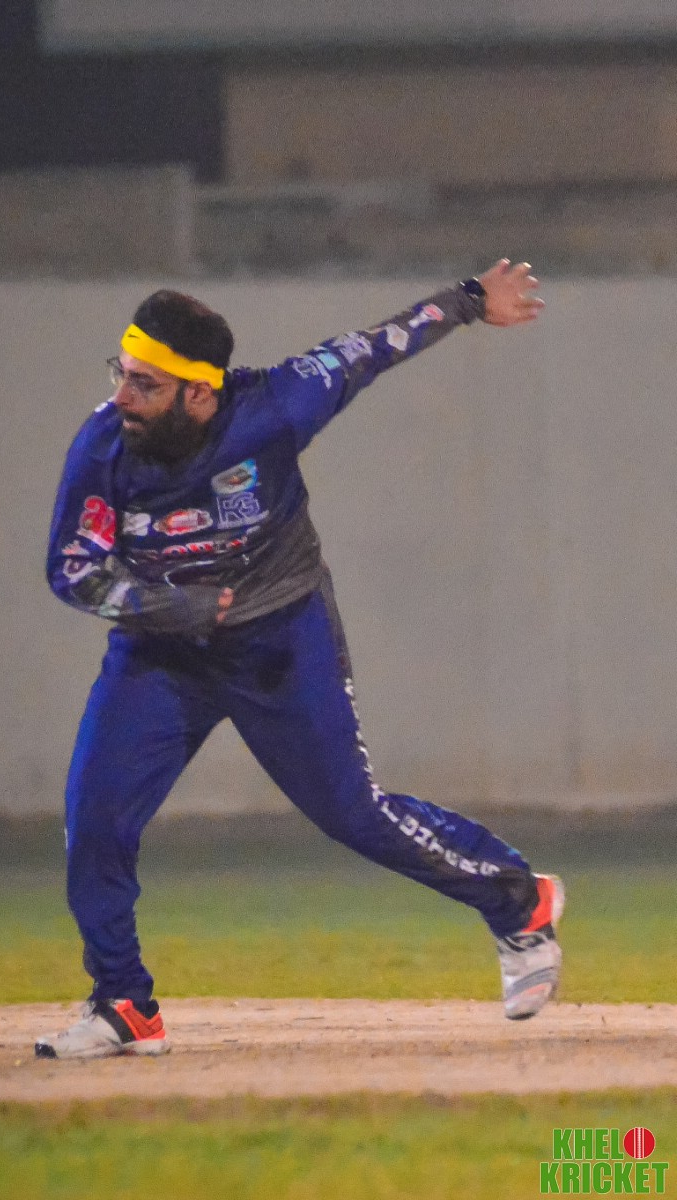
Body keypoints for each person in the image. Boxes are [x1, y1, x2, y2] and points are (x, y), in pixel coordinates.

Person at [36, 260, 563, 1060]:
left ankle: (520, 903)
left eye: (145, 383)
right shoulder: (103, 445)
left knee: (354, 814)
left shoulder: (277, 406)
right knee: (95, 818)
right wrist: (166, 608)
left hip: (280, 641)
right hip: (161, 654)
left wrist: (466, 301)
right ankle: (123, 1006)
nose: (122, 397)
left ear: (200, 394)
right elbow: (71, 570)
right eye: (123, 373)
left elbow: (372, 347)